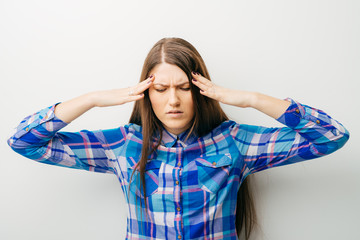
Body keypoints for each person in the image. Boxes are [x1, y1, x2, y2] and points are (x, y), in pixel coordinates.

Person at [7, 37, 349, 240]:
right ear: (146, 92)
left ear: (200, 91)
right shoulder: (124, 145)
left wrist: (250, 99)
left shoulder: (234, 143)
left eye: (184, 88)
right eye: (160, 89)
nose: (173, 100)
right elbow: (23, 141)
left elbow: (331, 136)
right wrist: (93, 99)